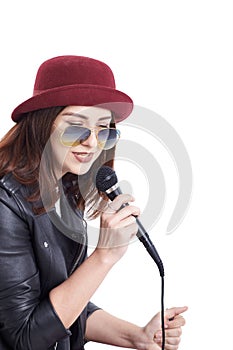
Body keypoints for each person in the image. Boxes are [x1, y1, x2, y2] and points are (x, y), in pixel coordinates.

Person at [0, 55, 187, 350]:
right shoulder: (5, 202)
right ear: (41, 125)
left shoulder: (64, 190)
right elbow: (26, 337)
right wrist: (104, 256)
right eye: (76, 128)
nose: (92, 143)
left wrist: (135, 336)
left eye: (104, 130)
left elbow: (68, 304)